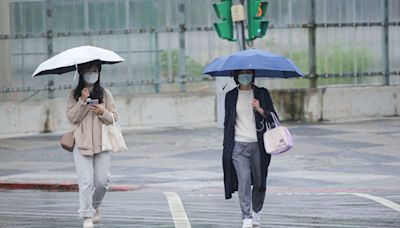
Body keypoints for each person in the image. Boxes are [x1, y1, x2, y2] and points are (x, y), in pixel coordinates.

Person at [222, 69, 278, 228]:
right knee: (244, 179)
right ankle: (246, 216)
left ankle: (256, 212)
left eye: (248, 73)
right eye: (241, 73)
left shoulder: (262, 93)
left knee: (260, 182)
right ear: (236, 76)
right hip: (238, 146)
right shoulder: (230, 96)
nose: (244, 76)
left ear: (253, 75)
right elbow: (228, 122)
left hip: (258, 146)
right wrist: (227, 144)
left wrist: (260, 110)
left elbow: (274, 118)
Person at [66, 61, 118, 228]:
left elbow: (114, 117)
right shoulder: (74, 95)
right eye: (88, 70)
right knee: (86, 181)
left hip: (102, 143)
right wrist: (82, 101)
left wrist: (103, 112)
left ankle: (95, 207)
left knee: (103, 181)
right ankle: (87, 216)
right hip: (81, 143)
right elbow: (72, 117)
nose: (92, 73)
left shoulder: (105, 94)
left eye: (95, 70)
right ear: (81, 72)